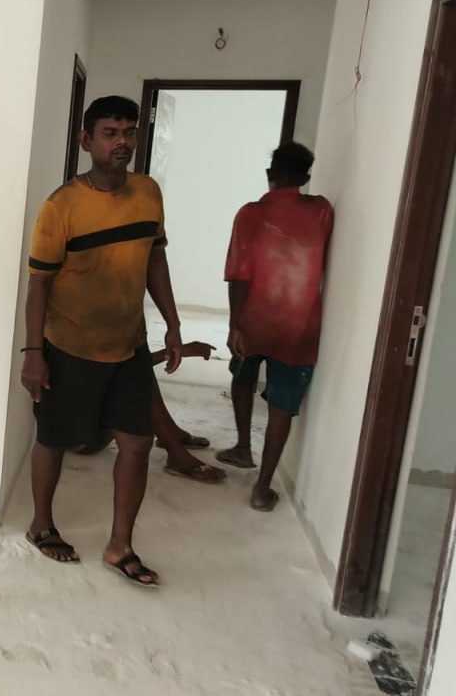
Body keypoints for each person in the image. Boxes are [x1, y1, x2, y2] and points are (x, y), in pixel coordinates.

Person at [21, 95, 183, 588]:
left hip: (129, 345)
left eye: (129, 132)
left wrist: (172, 323)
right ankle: (41, 524)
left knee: (137, 442)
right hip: (70, 346)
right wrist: (33, 355)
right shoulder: (61, 206)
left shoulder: (148, 193)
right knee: (54, 438)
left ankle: (120, 546)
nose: (122, 142)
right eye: (110, 133)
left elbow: (155, 259)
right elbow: (39, 285)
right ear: (86, 140)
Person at [216, 142, 333, 512]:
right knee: (283, 404)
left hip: (254, 319)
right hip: (300, 326)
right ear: (306, 177)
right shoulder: (322, 210)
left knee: (243, 376)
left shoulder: (250, 214)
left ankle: (242, 448)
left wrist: (235, 325)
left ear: (270, 174)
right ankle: (262, 487)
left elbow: (238, 275)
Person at [76, 341, 228, 486]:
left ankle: (171, 433)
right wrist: (175, 351)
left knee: (136, 368)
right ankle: (174, 451)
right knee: (133, 374)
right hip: (81, 438)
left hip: (91, 425)